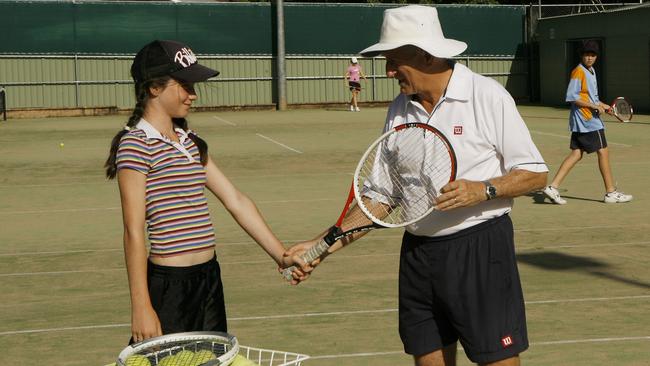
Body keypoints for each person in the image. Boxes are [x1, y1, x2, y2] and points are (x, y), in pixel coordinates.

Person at [284, 6, 548, 366]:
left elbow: (535, 173)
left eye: (394, 60)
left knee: (496, 360)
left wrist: (483, 189)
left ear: (426, 55)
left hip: (480, 250)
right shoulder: (399, 109)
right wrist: (320, 246)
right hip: (418, 256)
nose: (389, 70)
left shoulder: (487, 95)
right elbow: (381, 198)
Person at [104, 40, 297, 343]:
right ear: (154, 87)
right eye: (185, 85)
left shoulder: (190, 141)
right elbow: (133, 229)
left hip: (208, 280)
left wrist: (280, 254)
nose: (193, 94)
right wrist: (141, 306)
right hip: (170, 287)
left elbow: (236, 201)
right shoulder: (136, 144)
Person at [542, 40, 632, 205]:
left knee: (576, 154)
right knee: (603, 152)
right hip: (588, 120)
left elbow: (592, 98)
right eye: (586, 55)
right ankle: (611, 192)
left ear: (596, 57)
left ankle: (553, 187)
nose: (589, 58)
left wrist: (604, 106)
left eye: (592, 55)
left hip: (583, 120)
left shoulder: (591, 71)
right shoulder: (579, 72)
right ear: (581, 56)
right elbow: (572, 97)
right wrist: (593, 107)